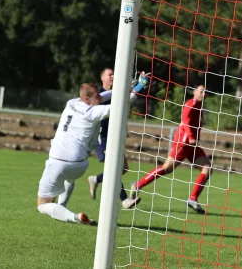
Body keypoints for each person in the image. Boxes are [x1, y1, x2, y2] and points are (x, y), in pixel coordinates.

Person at [37, 75, 149, 224]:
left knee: (43, 204)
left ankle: (74, 217)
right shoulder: (93, 112)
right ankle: (63, 206)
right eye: (97, 96)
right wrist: (138, 88)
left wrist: (129, 88)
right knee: (68, 178)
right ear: (87, 99)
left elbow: (105, 95)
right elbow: (121, 106)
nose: (101, 98)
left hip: (57, 162)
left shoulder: (72, 103)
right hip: (78, 166)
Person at [130, 85, 211, 214]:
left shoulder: (200, 106)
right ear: (195, 91)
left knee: (207, 168)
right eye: (201, 91)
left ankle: (193, 198)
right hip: (183, 142)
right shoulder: (191, 103)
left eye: (205, 92)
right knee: (167, 168)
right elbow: (185, 121)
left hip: (192, 145)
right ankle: (137, 185)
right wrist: (190, 136)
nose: (203, 93)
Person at [87, 68, 138, 209]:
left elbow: (124, 105)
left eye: (114, 74)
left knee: (123, 168)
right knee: (114, 168)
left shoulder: (117, 94)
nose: (113, 76)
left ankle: (96, 179)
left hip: (114, 137)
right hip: (101, 139)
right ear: (102, 77)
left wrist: (139, 86)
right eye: (110, 74)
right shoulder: (98, 94)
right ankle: (124, 200)